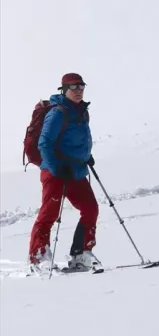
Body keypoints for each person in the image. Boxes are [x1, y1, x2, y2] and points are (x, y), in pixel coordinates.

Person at [28, 73, 100, 273]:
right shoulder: (58, 112)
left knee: (90, 208)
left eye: (81, 87)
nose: (78, 91)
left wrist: (87, 155)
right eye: (74, 87)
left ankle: (81, 254)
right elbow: (44, 143)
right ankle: (38, 257)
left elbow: (80, 138)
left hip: (75, 170)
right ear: (65, 89)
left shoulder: (82, 111)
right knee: (49, 213)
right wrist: (56, 167)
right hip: (54, 171)